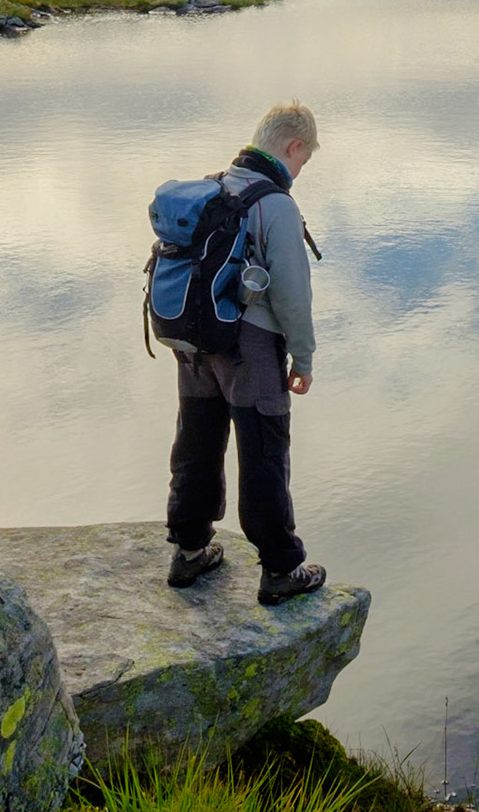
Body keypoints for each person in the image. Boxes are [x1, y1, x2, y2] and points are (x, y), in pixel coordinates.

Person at [164, 102, 327, 606]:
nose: (300, 171)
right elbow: (292, 296)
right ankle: (280, 569)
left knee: (196, 444)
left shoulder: (213, 187)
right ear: (293, 147)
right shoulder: (275, 205)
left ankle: (189, 551)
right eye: (303, 161)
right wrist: (303, 359)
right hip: (250, 348)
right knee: (263, 454)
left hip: (194, 344)